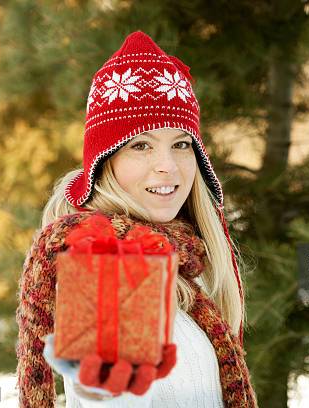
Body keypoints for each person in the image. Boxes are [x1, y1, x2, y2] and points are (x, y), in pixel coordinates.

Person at [15, 31, 258, 407]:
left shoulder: (183, 265)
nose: (168, 167)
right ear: (104, 162)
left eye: (180, 144)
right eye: (141, 145)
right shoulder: (107, 263)